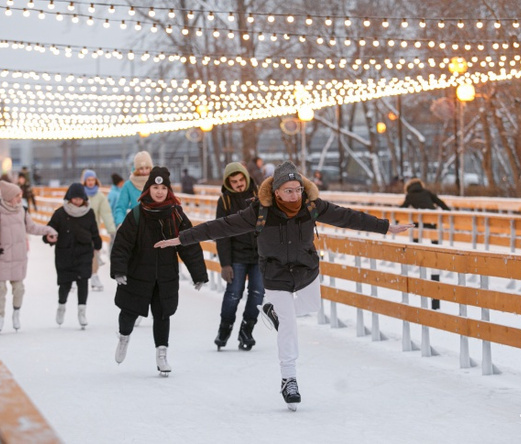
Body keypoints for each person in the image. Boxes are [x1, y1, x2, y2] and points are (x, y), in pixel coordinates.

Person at [155, 161, 413, 408]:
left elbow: (347, 217)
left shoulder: (312, 206)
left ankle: (272, 310)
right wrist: (181, 239)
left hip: (306, 271)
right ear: (276, 191)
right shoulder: (260, 211)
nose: (294, 195)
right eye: (288, 191)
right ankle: (289, 379)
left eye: (298, 189)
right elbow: (220, 227)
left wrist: (385, 227)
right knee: (288, 324)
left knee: (311, 305)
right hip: (275, 274)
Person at [110, 166, 208, 375]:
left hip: (165, 274)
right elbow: (122, 244)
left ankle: (161, 354)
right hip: (138, 272)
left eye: (163, 187)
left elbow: (188, 244)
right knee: (128, 311)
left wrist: (198, 273)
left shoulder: (176, 214)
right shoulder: (137, 214)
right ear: (148, 189)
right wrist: (119, 270)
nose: (160, 191)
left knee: (163, 314)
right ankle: (124, 337)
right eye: (155, 187)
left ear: (169, 190)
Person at [0, 180, 58, 333]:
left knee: (19, 288)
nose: (19, 198)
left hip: (18, 257)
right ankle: (0, 317)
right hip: (1, 257)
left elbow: (32, 227)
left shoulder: (22, 210)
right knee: (1, 289)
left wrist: (48, 230)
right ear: (9, 197)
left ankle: (16, 313)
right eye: (17, 195)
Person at [213, 162, 264, 351]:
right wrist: (225, 264)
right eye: (234, 181)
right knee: (233, 294)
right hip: (236, 256)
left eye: (241, 179)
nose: (239, 184)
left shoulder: (260, 195)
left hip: (260, 255)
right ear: (228, 183)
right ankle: (224, 329)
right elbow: (221, 234)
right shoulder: (225, 201)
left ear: (246, 177)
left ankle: (247, 330)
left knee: (258, 294)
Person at [43, 183, 102, 329]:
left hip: (83, 253)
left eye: (80, 198)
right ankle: (61, 306)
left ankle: (82, 312)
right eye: (74, 199)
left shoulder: (89, 213)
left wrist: (98, 243)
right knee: (65, 284)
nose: (77, 201)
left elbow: (94, 230)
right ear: (69, 198)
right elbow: (49, 230)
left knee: (83, 282)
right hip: (65, 254)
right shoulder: (60, 213)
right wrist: (48, 238)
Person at [400, 177, 450, 310]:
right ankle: (436, 248)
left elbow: (402, 208)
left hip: (420, 220)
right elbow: (441, 203)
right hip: (432, 218)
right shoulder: (427, 192)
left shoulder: (410, 196)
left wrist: (395, 217)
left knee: (415, 225)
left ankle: (416, 249)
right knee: (431, 232)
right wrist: (449, 213)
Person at [81, 169, 115, 291]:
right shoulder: (80, 194)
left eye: (92, 180)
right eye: (88, 180)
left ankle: (94, 276)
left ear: (96, 180)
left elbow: (106, 213)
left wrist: (111, 229)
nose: (90, 182)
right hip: (79, 230)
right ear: (84, 181)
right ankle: (76, 277)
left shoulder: (100, 196)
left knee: (94, 252)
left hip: (93, 231)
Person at [113, 151, 153, 227]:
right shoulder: (128, 185)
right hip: (136, 226)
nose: (144, 171)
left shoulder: (156, 183)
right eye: (141, 168)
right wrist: (120, 224)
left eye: (147, 168)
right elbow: (121, 207)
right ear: (136, 169)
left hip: (154, 226)